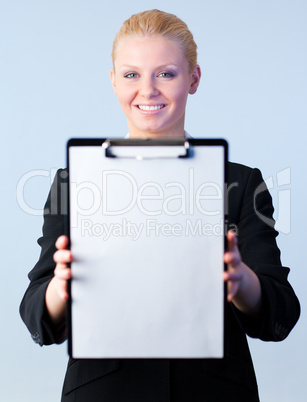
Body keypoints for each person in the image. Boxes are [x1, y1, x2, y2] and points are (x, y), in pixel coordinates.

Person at [20, 9, 300, 402]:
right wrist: (61, 288)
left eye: (165, 73)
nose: (147, 90)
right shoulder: (76, 182)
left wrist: (241, 282)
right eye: (131, 74)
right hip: (104, 392)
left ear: (194, 79)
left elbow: (280, 314)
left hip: (214, 392)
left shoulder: (240, 183)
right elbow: (36, 314)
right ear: (113, 81)